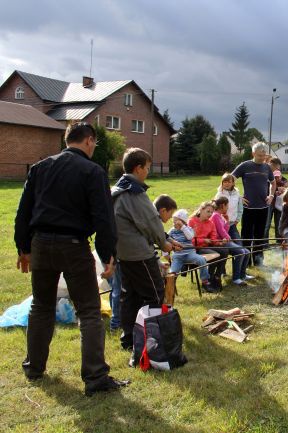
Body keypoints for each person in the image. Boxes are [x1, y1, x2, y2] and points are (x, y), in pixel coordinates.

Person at [14, 122, 128, 396]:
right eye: (95, 144)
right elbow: (103, 217)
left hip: (41, 244)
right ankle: (95, 377)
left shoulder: (40, 167)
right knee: (88, 311)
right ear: (89, 141)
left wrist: (23, 248)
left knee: (41, 306)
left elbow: (24, 210)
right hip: (73, 246)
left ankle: (34, 367)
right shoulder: (92, 171)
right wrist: (108, 254)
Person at [112, 148, 180, 357]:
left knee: (129, 297)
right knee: (154, 295)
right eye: (147, 168)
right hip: (139, 255)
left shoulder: (117, 189)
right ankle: (152, 342)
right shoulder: (134, 192)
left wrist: (167, 240)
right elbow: (151, 223)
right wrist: (165, 243)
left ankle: (129, 338)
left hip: (123, 254)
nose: (148, 172)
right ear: (138, 168)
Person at [232, 142, 276, 266]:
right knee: (246, 235)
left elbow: (273, 183)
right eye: (260, 155)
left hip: (263, 207)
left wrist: (271, 195)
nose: (263, 158)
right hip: (248, 207)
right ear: (253, 153)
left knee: (260, 235)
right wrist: (238, 197)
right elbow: (229, 180)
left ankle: (258, 260)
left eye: (264, 155)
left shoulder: (267, 167)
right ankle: (245, 261)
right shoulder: (244, 166)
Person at [167, 209, 219, 292]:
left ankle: (205, 281)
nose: (174, 223)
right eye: (173, 221)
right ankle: (170, 286)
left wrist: (183, 227)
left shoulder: (188, 229)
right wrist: (166, 253)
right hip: (177, 256)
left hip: (190, 254)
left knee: (201, 260)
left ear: (183, 222)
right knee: (172, 272)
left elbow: (190, 237)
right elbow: (166, 240)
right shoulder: (172, 231)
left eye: (176, 221)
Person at [210, 197, 252, 286]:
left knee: (247, 251)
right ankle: (236, 278)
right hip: (220, 242)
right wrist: (229, 238)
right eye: (227, 205)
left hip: (225, 240)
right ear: (222, 205)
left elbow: (224, 229)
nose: (228, 207)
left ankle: (242, 275)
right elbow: (221, 232)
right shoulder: (215, 216)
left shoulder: (219, 215)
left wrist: (227, 221)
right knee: (241, 252)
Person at [188, 201, 226, 290]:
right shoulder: (192, 221)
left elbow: (213, 239)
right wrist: (203, 240)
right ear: (201, 210)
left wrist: (220, 242)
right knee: (215, 256)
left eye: (211, 212)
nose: (210, 214)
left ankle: (217, 276)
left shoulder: (210, 223)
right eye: (208, 211)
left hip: (206, 246)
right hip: (196, 248)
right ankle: (208, 279)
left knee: (224, 251)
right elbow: (189, 240)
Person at [214, 173, 243, 242]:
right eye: (225, 182)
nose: (227, 184)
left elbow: (240, 208)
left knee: (239, 243)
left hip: (232, 224)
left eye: (229, 182)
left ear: (233, 183)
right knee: (227, 245)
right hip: (221, 225)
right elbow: (215, 210)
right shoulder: (219, 194)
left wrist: (237, 220)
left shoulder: (237, 193)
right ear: (222, 183)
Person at [264, 157, 287, 239]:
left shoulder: (275, 173)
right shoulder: (265, 172)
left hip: (276, 202)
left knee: (278, 222)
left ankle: (279, 240)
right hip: (267, 201)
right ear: (272, 165)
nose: (277, 170)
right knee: (266, 223)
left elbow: (285, 182)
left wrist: (283, 188)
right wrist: (277, 189)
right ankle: (264, 242)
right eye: (277, 168)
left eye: (278, 169)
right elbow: (266, 186)